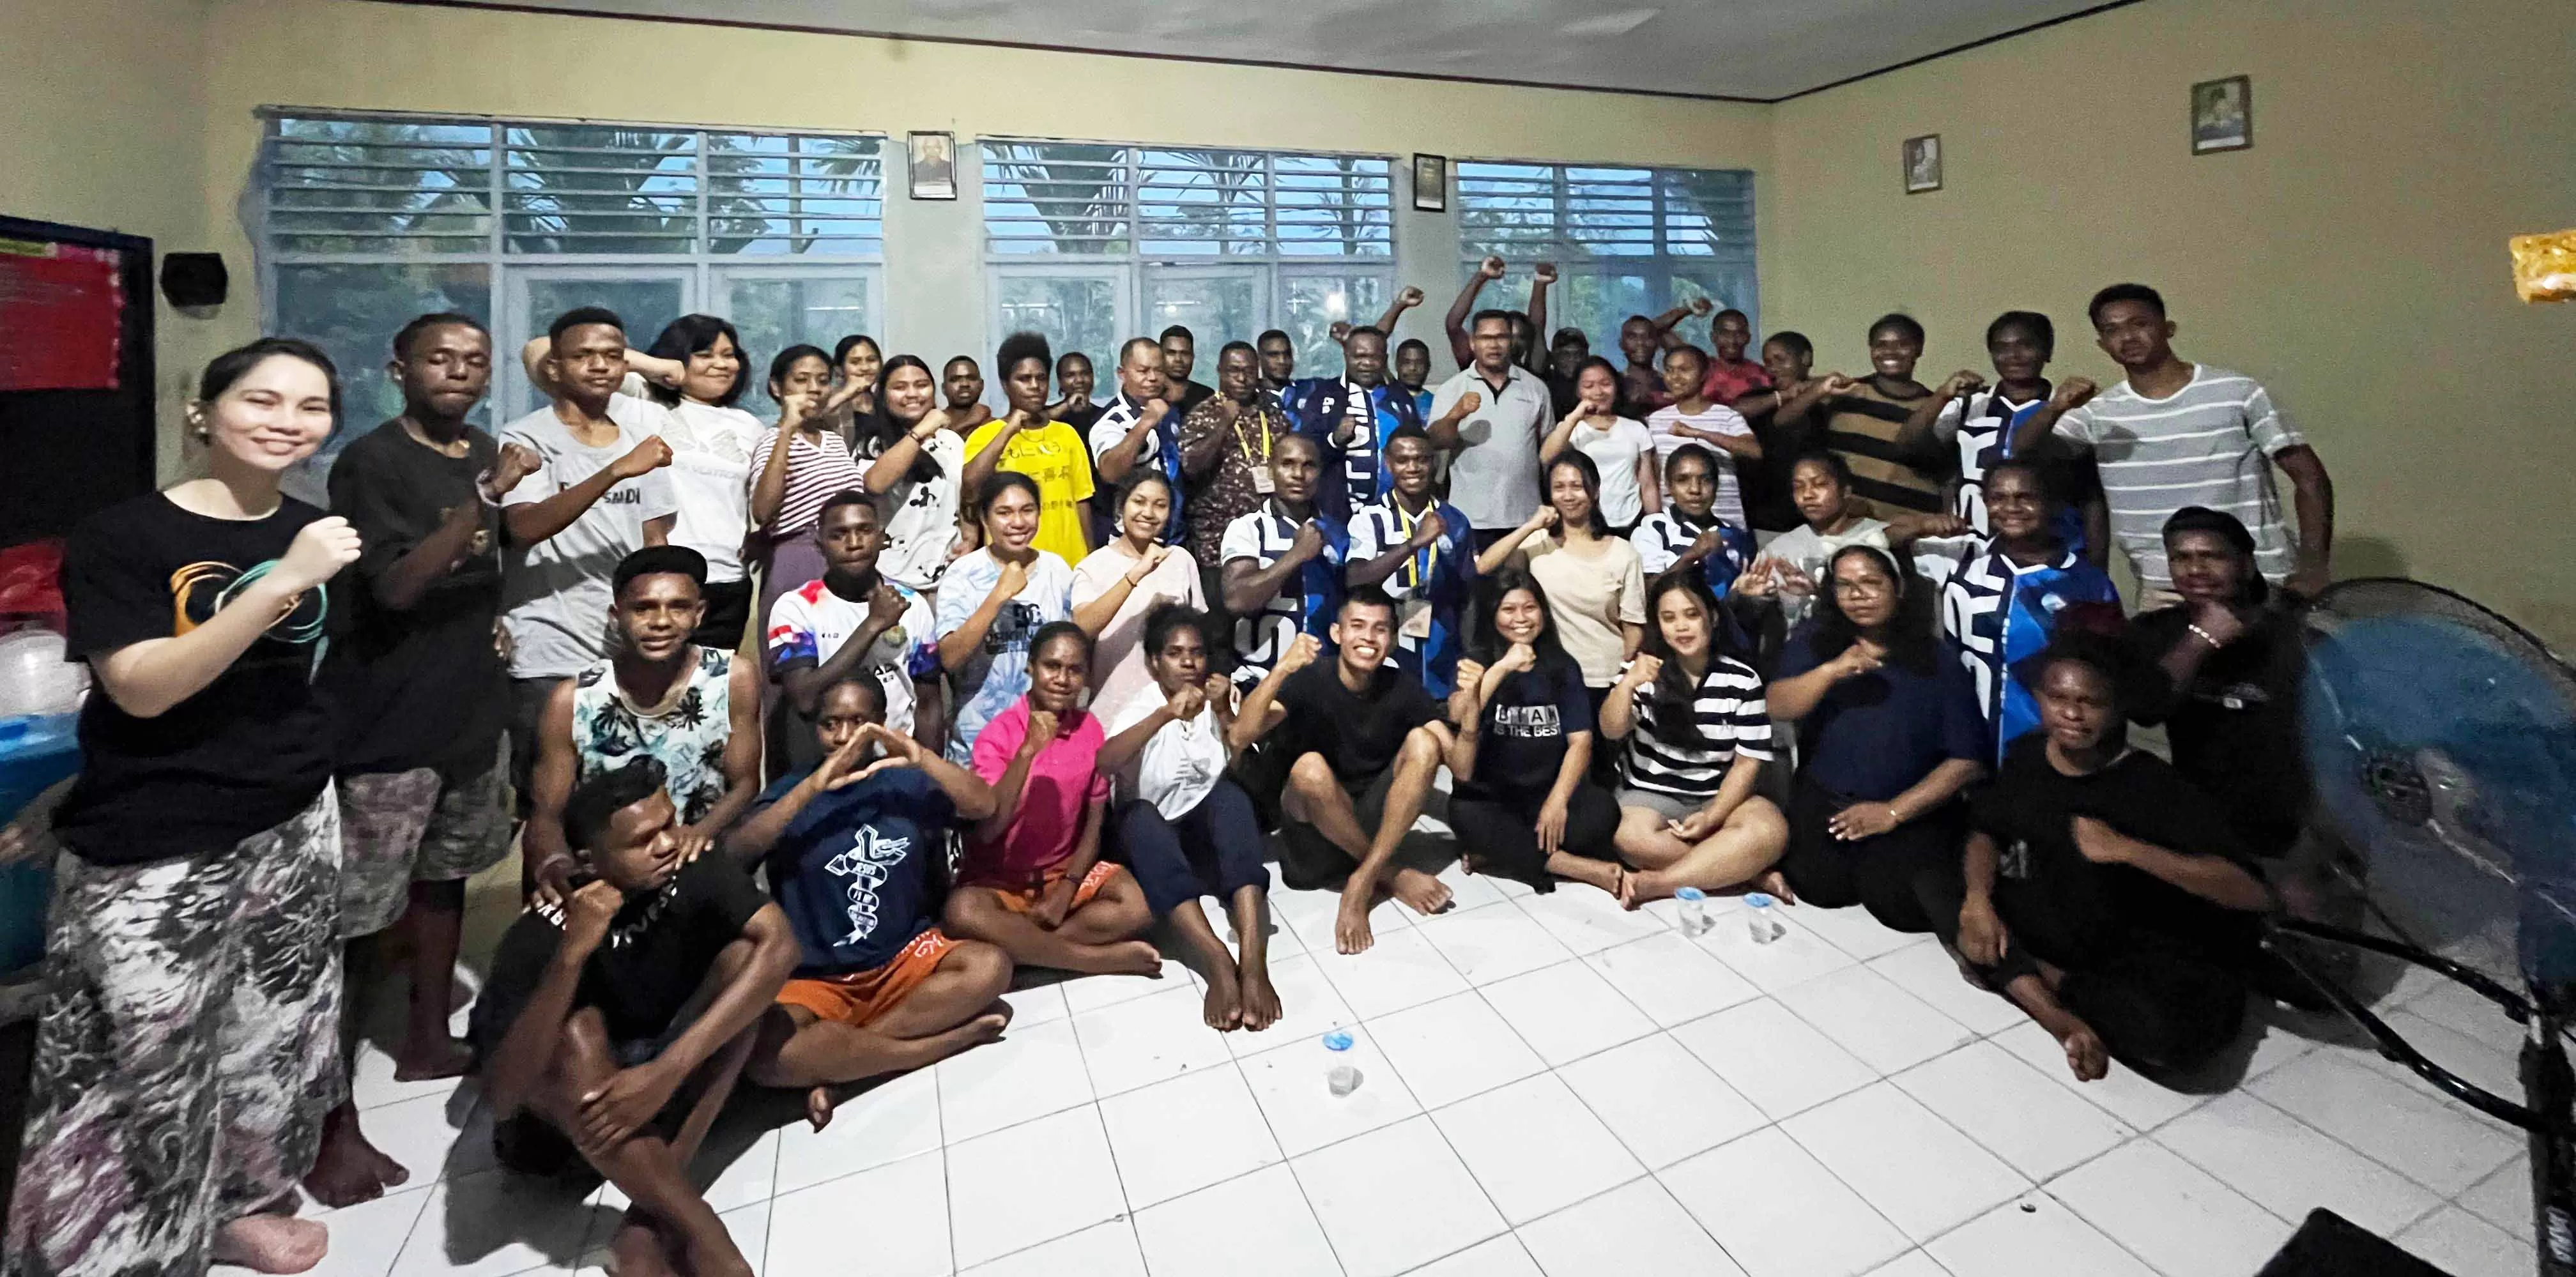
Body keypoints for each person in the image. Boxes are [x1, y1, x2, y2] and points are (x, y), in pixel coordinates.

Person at [8, 339, 362, 1277]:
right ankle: (124, 1251)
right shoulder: (127, 536)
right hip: (157, 843)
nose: (288, 419)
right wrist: (284, 579)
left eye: (311, 404)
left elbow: (290, 682)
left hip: (290, 816)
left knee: (270, 1033)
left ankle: (229, 1209)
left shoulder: (310, 524)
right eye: (263, 398)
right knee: (145, 1059)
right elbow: (142, 689)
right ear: (206, 411)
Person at [305, 315, 526, 1209]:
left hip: (468, 708)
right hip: (385, 721)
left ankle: (430, 1035)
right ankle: (328, 1116)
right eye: (441, 358)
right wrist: (483, 500)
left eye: (475, 360)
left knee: (445, 885)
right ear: (399, 368)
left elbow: (490, 566)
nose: (461, 372)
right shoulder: (371, 462)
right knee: (356, 922)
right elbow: (396, 585)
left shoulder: (481, 445)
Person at [470, 760, 796, 1277]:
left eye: (669, 823)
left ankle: (649, 1219)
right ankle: (704, 1232)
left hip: (656, 1083)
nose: (669, 843)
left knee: (745, 967)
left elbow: (781, 945)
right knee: (579, 1033)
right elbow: (504, 1095)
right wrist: (572, 955)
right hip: (567, 1135)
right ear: (589, 860)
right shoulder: (539, 933)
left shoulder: (688, 860)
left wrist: (664, 1074)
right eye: (643, 840)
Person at [1949, 638, 2273, 1082]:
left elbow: (2254, 894)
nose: (2071, 714)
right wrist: (1977, 899)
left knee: (2181, 1039)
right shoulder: (2028, 755)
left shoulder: (2151, 785)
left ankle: (2040, 980)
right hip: (2055, 917)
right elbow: (1986, 827)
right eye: (2057, 698)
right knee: (1951, 891)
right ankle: (2063, 1022)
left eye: (2091, 702)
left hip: (2135, 944)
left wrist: (2128, 849)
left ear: (2118, 706)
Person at [732, 680, 1013, 1127]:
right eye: (831, 724)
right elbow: (735, 853)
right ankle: (933, 1045)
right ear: (815, 729)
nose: (846, 737)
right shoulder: (790, 791)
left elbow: (983, 804)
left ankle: (846, 1064)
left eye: (860, 723)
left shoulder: (903, 780)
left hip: (902, 958)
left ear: (880, 724)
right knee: (763, 1054)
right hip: (819, 976)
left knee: (989, 967)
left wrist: (916, 753)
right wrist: (814, 787)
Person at [2008, 283, 2335, 602]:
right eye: (2113, 330)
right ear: (2102, 344)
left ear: (2168, 328)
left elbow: (2309, 477)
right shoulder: (2099, 414)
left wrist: (2313, 565)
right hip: (2164, 589)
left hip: (2258, 579)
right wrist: (2054, 409)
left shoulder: (2237, 393)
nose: (2128, 337)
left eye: (2140, 324)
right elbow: (2022, 455)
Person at [497, 308, 677, 813]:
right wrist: (616, 470)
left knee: (618, 806)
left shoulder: (641, 447)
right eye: (584, 355)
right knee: (546, 804)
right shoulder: (526, 437)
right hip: (546, 648)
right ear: (553, 368)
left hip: (621, 652)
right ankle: (547, 896)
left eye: (613, 356)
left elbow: (654, 543)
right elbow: (523, 526)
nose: (601, 366)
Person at [525, 547, 763, 908]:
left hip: (697, 860)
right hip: (613, 871)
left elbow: (744, 783)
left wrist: (699, 833)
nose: (661, 621)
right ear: (616, 616)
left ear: (699, 615)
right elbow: (546, 812)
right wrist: (556, 863)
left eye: (679, 607)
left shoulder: (732, 679)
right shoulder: (573, 700)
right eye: (644, 608)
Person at [1765, 545, 1987, 932]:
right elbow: (1778, 705)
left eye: (1871, 583)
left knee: (1897, 903)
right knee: (1818, 887)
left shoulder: (1936, 658)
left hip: (1907, 807)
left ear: (1898, 588)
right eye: (1846, 586)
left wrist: (1893, 812)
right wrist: (1832, 671)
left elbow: (1966, 761)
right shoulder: (1816, 639)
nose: (1858, 595)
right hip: (1827, 799)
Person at [1230, 592, 1455, 953]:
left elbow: (1460, 765)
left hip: (1367, 823)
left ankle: (1362, 881)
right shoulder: (1309, 680)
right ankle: (1389, 874)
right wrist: (1282, 668)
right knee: (1309, 768)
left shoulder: (1402, 686)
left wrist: (1471, 711)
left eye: (1380, 629)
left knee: (1425, 743)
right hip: (1312, 843)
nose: (1368, 637)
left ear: (1393, 640)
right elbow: (1241, 735)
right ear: (1337, 633)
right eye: (1358, 626)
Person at [1097, 606, 1280, 1030]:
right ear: (1154, 662)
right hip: (1150, 845)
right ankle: (1216, 959)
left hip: (1201, 836)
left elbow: (1241, 770)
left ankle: (1253, 962)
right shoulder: (1140, 705)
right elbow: (1104, 762)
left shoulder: (1221, 695)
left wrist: (1222, 713)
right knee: (1139, 816)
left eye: (1196, 653)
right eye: (1175, 653)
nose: (1187, 662)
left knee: (1231, 798)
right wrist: (1164, 714)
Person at [944, 623, 1163, 974]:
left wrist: (1067, 889)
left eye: (1075, 670)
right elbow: (987, 832)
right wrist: (1027, 752)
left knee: (1139, 906)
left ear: (1087, 676)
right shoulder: (996, 737)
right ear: (1031, 667)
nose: (1062, 679)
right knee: (962, 912)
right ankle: (1091, 960)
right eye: (1052, 666)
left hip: (1062, 875)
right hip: (999, 883)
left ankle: (1029, 948)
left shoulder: (1088, 728)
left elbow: (1093, 822)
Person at [2124, 507, 2313, 864]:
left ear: (2246, 564)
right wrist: (2199, 642)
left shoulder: (2297, 632)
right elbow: (2146, 709)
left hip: (2296, 834)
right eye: (2181, 558)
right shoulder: (2155, 631)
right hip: (2202, 828)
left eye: (2212, 557)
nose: (2196, 570)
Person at [1596, 570, 1790, 905]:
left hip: (1719, 795)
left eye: (1691, 615)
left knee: (1771, 831)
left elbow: (1748, 763)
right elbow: (1611, 729)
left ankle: (1659, 883)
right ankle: (1744, 871)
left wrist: (1714, 815)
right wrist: (1628, 684)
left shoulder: (1742, 680)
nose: (1681, 627)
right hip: (1650, 794)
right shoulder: (1645, 671)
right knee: (1628, 837)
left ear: (1712, 618)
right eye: (1669, 618)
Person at [1439, 572, 1625, 896]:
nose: (1521, 619)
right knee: (1463, 814)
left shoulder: (1563, 666)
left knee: (1603, 811)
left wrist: (1558, 801)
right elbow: (1459, 716)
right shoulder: (1476, 663)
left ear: (1543, 613)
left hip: (1544, 793)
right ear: (1493, 614)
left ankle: (1501, 853)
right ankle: (1569, 866)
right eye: (1508, 610)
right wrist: (1501, 668)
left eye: (1530, 608)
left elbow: (1581, 742)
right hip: (1492, 798)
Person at [1939, 460, 2121, 764]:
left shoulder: (2087, 583)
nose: (2011, 507)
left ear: (2051, 504)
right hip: (1974, 747)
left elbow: (2106, 677)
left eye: (2026, 497)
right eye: (1998, 498)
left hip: (2054, 751)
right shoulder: (1965, 577)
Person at [1898, 310, 2107, 560]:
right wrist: (1942, 395)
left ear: (2047, 350)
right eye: (2001, 348)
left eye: (2026, 345)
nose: (2014, 356)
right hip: (1973, 550)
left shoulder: (2071, 406)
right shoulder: (1970, 405)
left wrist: (2097, 565)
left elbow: (2091, 499)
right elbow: (1908, 446)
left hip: (2053, 554)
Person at [1478, 453, 1647, 752]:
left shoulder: (1623, 553)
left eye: (1577, 486)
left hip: (1601, 678)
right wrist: (1530, 526)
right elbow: (1485, 568)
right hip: (1546, 674)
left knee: (1598, 772)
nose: (1568, 496)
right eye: (1559, 487)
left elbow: (1633, 629)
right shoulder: (1536, 544)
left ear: (1594, 491)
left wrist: (1621, 679)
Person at [765, 492, 940, 762]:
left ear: (882, 539)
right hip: (825, 769)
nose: (854, 544)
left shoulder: (913, 605)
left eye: (865, 531)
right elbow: (805, 698)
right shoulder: (795, 608)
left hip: (896, 763)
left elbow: (928, 703)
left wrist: (931, 773)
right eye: (839, 535)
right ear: (820, 545)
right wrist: (874, 624)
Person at [636, 315, 765, 649]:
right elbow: (542, 354)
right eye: (706, 355)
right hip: (665, 577)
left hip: (730, 580)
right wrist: (660, 367)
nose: (722, 364)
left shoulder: (748, 425)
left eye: (729, 354)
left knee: (714, 690)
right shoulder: (644, 403)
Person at [933, 473, 1078, 762]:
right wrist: (997, 596)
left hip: (1045, 737)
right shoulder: (963, 574)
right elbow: (949, 658)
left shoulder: (1057, 569)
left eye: (1027, 510)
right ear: (985, 520)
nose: (1018, 522)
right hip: (980, 742)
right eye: (1004, 513)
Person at [1749, 452, 1968, 625]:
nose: (1808, 495)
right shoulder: (1780, 549)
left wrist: (1924, 524)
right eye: (1799, 487)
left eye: (1820, 484)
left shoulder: (1882, 538)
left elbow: (1888, 534)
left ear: (1846, 491)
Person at [750, 344, 875, 641]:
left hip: (849, 555)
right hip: (799, 556)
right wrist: (787, 431)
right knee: (798, 663)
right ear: (777, 387)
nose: (814, 389)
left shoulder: (833, 441)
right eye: (802, 380)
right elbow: (762, 511)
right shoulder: (771, 441)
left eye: (822, 380)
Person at [1347, 425, 1479, 698]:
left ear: (1433, 462)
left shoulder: (1455, 520)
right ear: (1388, 464)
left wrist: (1470, 653)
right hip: (1386, 650)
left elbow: (1469, 595)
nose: (1413, 468)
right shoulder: (1369, 518)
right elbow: (1355, 579)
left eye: (1421, 459)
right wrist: (1414, 544)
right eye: (1403, 460)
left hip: (1441, 650)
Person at [1778, 313, 1945, 516]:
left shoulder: (1935, 407)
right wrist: (1818, 390)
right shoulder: (1847, 392)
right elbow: (1782, 421)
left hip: (1911, 529)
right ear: (1871, 350)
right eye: (1881, 345)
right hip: (1850, 528)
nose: (1890, 352)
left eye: (1902, 344)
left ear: (1918, 349)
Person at [1072, 471, 1206, 724]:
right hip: (1110, 710)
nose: (1148, 513)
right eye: (1139, 502)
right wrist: (1136, 574)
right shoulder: (1092, 566)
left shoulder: (1181, 560)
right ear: (1121, 506)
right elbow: (1082, 627)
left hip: (1172, 711)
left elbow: (1198, 636)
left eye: (1160, 505)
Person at [1220, 432, 1346, 689]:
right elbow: (1236, 600)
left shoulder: (1338, 532)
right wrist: (1297, 554)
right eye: (1287, 464)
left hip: (1323, 683)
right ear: (1271, 470)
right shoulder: (1248, 527)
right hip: (1259, 680)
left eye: (1308, 465)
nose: (1299, 474)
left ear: (1320, 473)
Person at [963, 332, 1097, 563]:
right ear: (1006, 385)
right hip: (1011, 565)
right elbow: (970, 486)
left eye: (1041, 378)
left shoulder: (1067, 434)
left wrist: (1091, 560)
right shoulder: (985, 436)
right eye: (1024, 379)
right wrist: (1009, 430)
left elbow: (1082, 502)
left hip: (1070, 563)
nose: (1035, 386)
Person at [1179, 340, 1294, 606]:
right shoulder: (1202, 415)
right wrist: (1224, 424)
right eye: (1234, 371)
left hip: (1266, 540)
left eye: (1250, 371)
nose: (1243, 378)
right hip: (1215, 543)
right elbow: (1191, 468)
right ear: (1220, 371)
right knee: (1220, 628)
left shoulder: (1274, 416)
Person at [1285, 324, 1436, 526]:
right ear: (1346, 355)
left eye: (1374, 357)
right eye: (1359, 356)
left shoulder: (1400, 397)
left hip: (1395, 515)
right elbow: (1304, 455)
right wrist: (1335, 440)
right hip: (1336, 514)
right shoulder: (1324, 395)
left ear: (1384, 358)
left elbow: (1418, 450)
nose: (1367, 363)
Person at [1429, 310, 1552, 546]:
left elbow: (1548, 450)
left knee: (1523, 583)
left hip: (1526, 517)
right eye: (1486, 338)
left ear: (1511, 341)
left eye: (1502, 337)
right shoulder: (1452, 388)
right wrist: (1457, 413)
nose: (1494, 345)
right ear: (1473, 343)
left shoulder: (1536, 388)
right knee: (1474, 582)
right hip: (1469, 518)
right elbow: (1434, 440)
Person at [853, 355, 967, 595]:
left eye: (922, 385)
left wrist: (969, 539)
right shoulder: (872, 445)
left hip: (949, 578)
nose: (913, 394)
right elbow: (874, 483)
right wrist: (921, 431)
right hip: (891, 580)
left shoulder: (951, 441)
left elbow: (964, 498)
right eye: (900, 387)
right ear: (883, 396)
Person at [1540, 357, 1660, 535]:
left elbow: (1648, 484)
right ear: (1578, 392)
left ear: (1616, 387)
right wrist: (1575, 416)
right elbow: (1546, 457)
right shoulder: (1570, 429)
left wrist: (1656, 526)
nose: (1598, 392)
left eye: (1605, 384)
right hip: (1586, 521)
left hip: (1632, 519)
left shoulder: (1635, 428)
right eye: (1589, 386)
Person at [1644, 345, 1761, 528]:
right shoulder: (1656, 420)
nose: (1675, 377)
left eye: (1684, 370)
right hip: (1676, 528)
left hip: (1726, 524)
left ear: (1704, 374)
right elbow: (1653, 473)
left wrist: (1699, 433)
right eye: (1669, 370)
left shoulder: (1727, 416)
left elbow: (1754, 451)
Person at [1085, 335, 1185, 545]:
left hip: (1175, 535)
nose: (1152, 378)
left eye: (1159, 371)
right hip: (1131, 540)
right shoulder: (1112, 419)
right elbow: (1110, 471)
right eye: (1143, 371)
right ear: (1122, 373)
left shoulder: (1168, 409)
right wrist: (1145, 423)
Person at [1632, 444, 1759, 599]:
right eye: (1683, 480)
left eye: (1705, 480)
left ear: (1716, 485)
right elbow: (1647, 591)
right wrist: (1692, 555)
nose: (1695, 490)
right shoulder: (1655, 528)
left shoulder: (1734, 536)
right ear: (1669, 486)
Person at [1728, 330, 1820, 539]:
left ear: (1806, 358)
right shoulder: (1760, 398)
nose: (1773, 368)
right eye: (1768, 362)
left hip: (1814, 519)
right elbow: (1735, 411)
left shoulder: (1823, 398)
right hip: (1763, 519)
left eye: (1780, 360)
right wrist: (1784, 396)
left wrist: (1815, 389)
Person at [1443, 257, 1554, 373]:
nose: (1514, 342)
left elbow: (1537, 327)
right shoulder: (1474, 367)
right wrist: (1482, 276)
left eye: (1521, 337)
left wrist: (1540, 283)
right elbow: (1453, 325)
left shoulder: (1531, 370)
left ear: (1528, 342)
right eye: (1507, 336)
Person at [1698, 308, 1772, 406]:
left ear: (1748, 338)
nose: (1732, 341)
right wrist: (1688, 309)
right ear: (1713, 337)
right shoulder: (1701, 370)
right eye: (1725, 334)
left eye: (1739, 334)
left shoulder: (1762, 375)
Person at [825, 333, 884, 443]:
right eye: (855, 362)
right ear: (839, 369)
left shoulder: (884, 400)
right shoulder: (829, 399)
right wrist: (846, 394)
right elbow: (811, 418)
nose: (865, 368)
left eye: (871, 360)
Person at [1159, 326, 1216, 416]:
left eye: (1185, 353)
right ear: (1159, 355)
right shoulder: (1150, 393)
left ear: (1193, 357)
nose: (1178, 359)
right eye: (1171, 353)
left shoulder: (1206, 396)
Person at [1050, 349, 1103, 435]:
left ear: (1092, 377)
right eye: (1070, 375)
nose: (1079, 380)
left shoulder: (1106, 416)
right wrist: (1066, 406)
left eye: (1085, 373)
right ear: (1060, 381)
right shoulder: (1047, 416)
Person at [939, 355, 995, 432]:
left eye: (972, 378)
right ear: (944, 388)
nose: (964, 384)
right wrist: (967, 422)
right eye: (955, 379)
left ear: (982, 385)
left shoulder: (996, 426)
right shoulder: (932, 423)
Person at [1393, 337, 1436, 420]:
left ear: (1428, 366)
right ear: (1397, 365)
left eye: (1420, 363)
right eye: (1407, 363)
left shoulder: (1437, 402)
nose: (1413, 368)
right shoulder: (1381, 399)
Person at [1255, 328, 1297, 395]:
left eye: (1287, 354)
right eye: (1274, 355)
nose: (1282, 361)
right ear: (1258, 359)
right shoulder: (1249, 398)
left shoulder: (1311, 391)